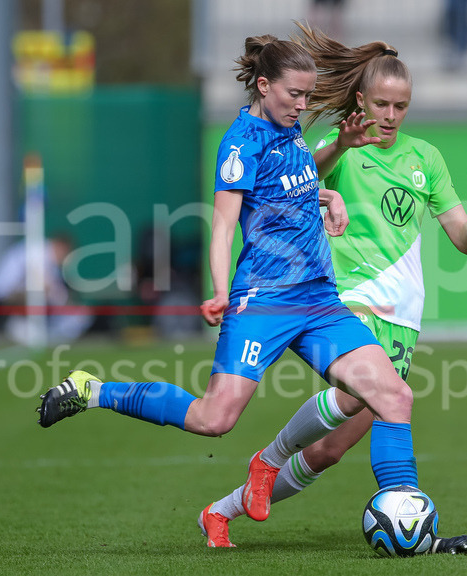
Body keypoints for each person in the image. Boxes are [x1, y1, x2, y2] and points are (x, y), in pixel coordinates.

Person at [36, 34, 430, 544]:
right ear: (264, 86)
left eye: (309, 96)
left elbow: (302, 182)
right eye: (295, 94)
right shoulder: (239, 145)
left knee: (393, 395)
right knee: (213, 419)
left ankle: (409, 513)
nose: (303, 105)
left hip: (319, 300)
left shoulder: (289, 130)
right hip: (262, 301)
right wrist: (219, 289)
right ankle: (95, 391)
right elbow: (223, 225)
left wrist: (335, 168)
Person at [199, 24, 467, 552]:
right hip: (347, 297)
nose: (389, 115)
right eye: (381, 103)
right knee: (364, 395)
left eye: (400, 106)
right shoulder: (340, 149)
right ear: (361, 101)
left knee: (331, 451)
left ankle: (220, 511)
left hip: (404, 316)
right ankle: (407, 519)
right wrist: (336, 156)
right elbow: (296, 182)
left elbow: (466, 242)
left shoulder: (424, 159)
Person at [0, 234, 93, 345]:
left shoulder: (47, 258)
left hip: (14, 297)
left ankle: (35, 328)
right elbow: (44, 285)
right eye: (66, 253)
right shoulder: (38, 252)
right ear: (60, 246)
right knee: (41, 294)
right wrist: (64, 302)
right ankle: (21, 326)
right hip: (2, 298)